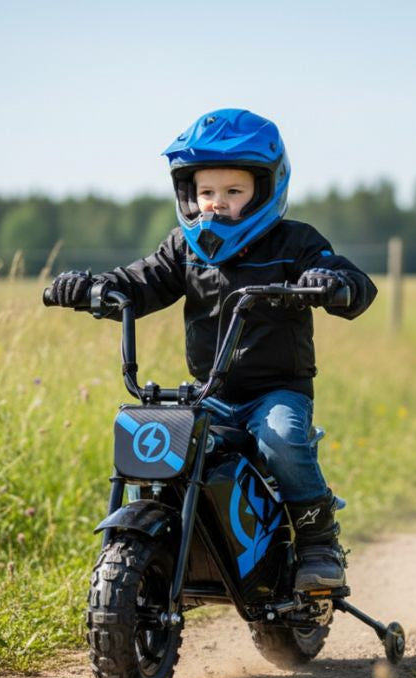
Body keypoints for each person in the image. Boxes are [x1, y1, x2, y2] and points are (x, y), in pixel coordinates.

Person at [47, 108, 377, 591]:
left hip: (277, 391)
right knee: (163, 446)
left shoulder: (295, 242)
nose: (216, 204)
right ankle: (170, 546)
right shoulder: (184, 248)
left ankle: (316, 540)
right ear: (188, 193)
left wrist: (331, 282)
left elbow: (353, 282)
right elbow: (140, 282)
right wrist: (92, 287)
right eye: (206, 192)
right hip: (210, 393)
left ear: (266, 189)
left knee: (281, 439)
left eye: (233, 192)